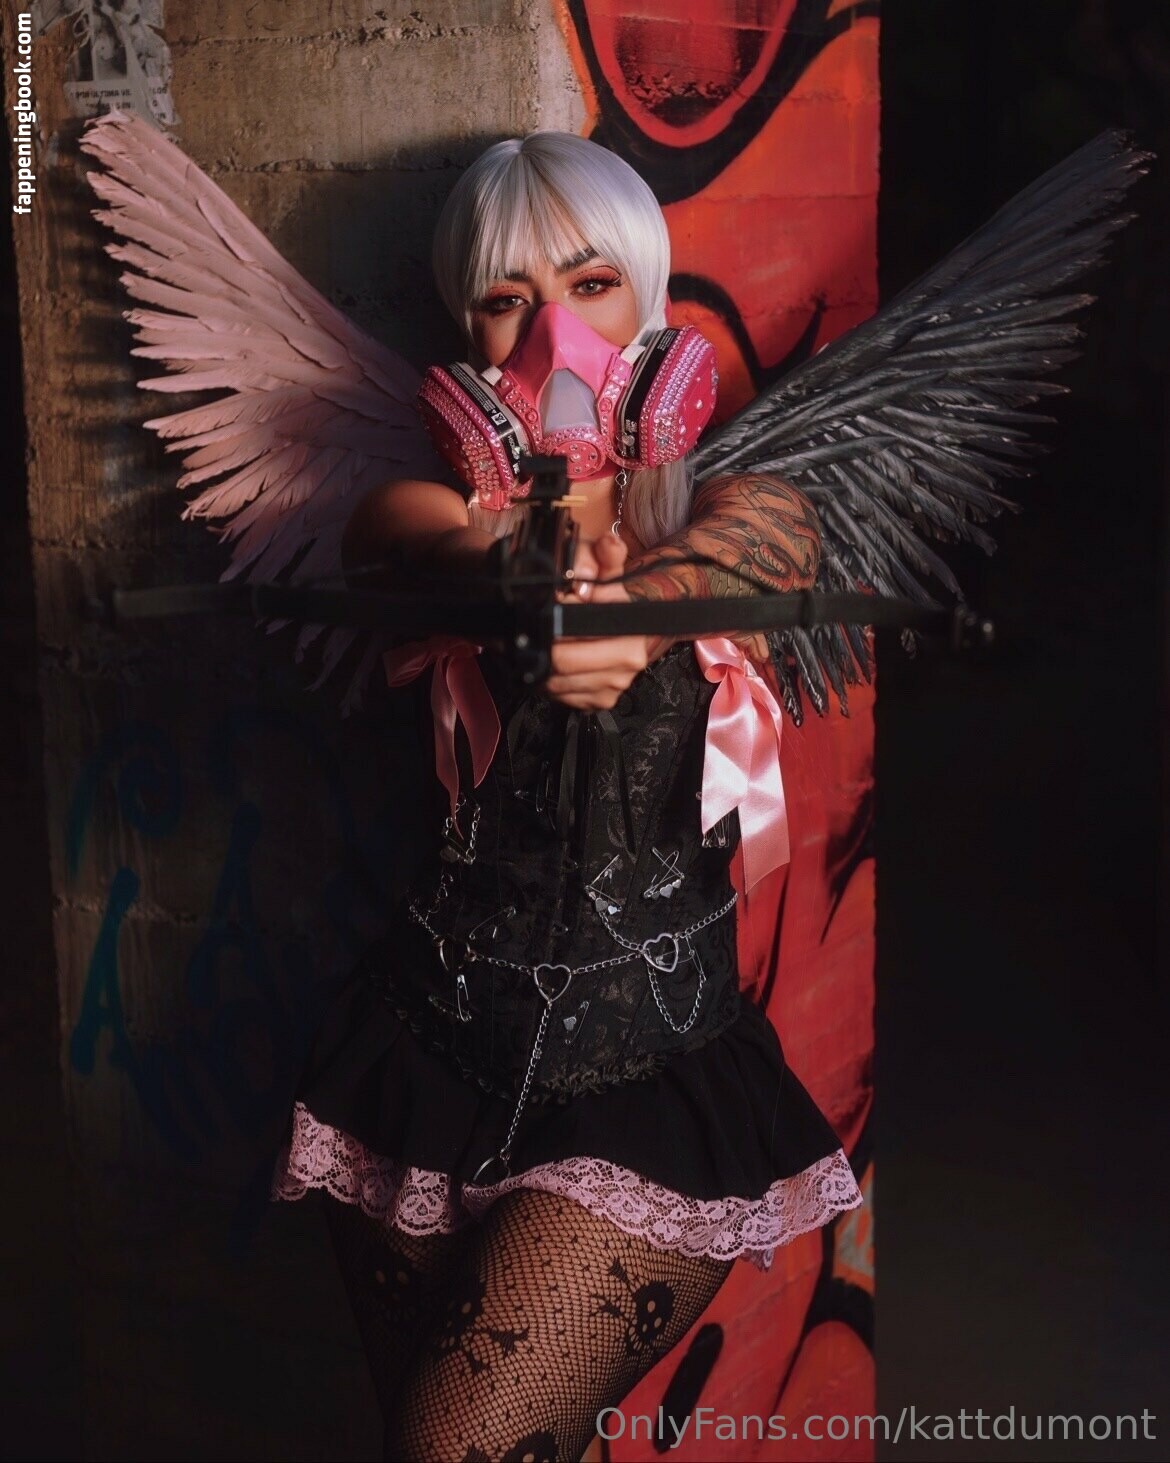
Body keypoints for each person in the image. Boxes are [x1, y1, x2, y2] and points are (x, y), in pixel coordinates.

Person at [270, 130, 864, 1463]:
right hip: (417, 1068)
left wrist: (638, 614)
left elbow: (764, 547)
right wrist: (521, 586)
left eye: (591, 285)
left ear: (649, 305)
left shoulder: (742, 509)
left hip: (646, 1082)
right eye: (507, 300)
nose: (557, 336)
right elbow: (406, 551)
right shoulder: (415, 514)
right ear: (468, 350)